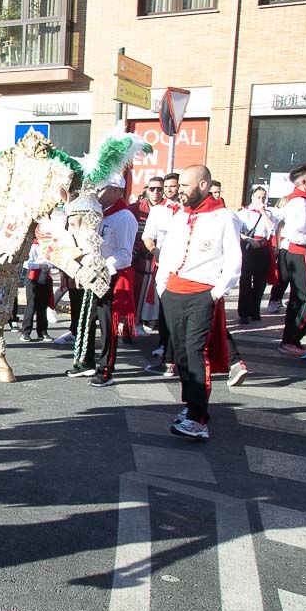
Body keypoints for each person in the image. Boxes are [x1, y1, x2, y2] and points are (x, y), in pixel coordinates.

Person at [156, 165, 242, 441]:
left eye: (185, 186)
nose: (180, 191)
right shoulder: (180, 217)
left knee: (195, 352)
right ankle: (191, 405)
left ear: (203, 185)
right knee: (180, 353)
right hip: (173, 293)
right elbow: (167, 254)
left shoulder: (224, 217)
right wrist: (163, 288)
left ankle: (198, 419)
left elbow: (233, 261)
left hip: (201, 294)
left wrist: (215, 293)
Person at [70, 174, 137, 387]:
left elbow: (125, 254)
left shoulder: (124, 217)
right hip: (95, 274)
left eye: (103, 189)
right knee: (88, 319)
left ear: (116, 191)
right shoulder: (101, 214)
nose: (97, 193)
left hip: (112, 277)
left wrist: (102, 268)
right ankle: (87, 361)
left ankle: (106, 368)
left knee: (108, 324)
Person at [277, 162, 306, 355]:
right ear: (304, 181)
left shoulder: (305, 200)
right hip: (300, 252)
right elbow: (293, 233)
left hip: (301, 252)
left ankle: (289, 340)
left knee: (298, 299)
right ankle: (291, 339)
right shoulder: (298, 203)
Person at [142, 173, 182, 376]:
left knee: (177, 312)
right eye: (166, 186)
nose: (168, 190)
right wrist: (154, 250)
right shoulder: (157, 211)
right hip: (164, 267)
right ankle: (166, 348)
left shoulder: (187, 210)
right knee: (164, 309)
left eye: (172, 186)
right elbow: (147, 236)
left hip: (184, 268)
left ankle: (173, 355)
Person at [236, 186, 277, 324]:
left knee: (260, 281)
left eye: (263, 197)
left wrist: (263, 212)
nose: (261, 200)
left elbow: (272, 227)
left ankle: (255, 310)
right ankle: (243, 313)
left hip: (263, 248)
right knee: (246, 281)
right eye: (258, 197)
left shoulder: (268, 213)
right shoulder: (243, 213)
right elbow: (238, 232)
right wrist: (249, 240)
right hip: (248, 247)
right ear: (252, 197)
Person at [130, 177, 165, 331]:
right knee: (139, 291)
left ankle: (154, 322)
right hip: (141, 257)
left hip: (163, 258)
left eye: (159, 189)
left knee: (160, 294)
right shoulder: (136, 208)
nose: (156, 192)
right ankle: (135, 324)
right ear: (146, 190)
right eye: (152, 189)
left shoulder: (169, 208)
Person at [21, 238, 53, 342]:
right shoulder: (33, 245)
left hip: (46, 276)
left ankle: (42, 332)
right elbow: (26, 263)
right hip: (33, 277)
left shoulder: (51, 244)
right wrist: (40, 265)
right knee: (31, 305)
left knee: (43, 306)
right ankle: (25, 332)